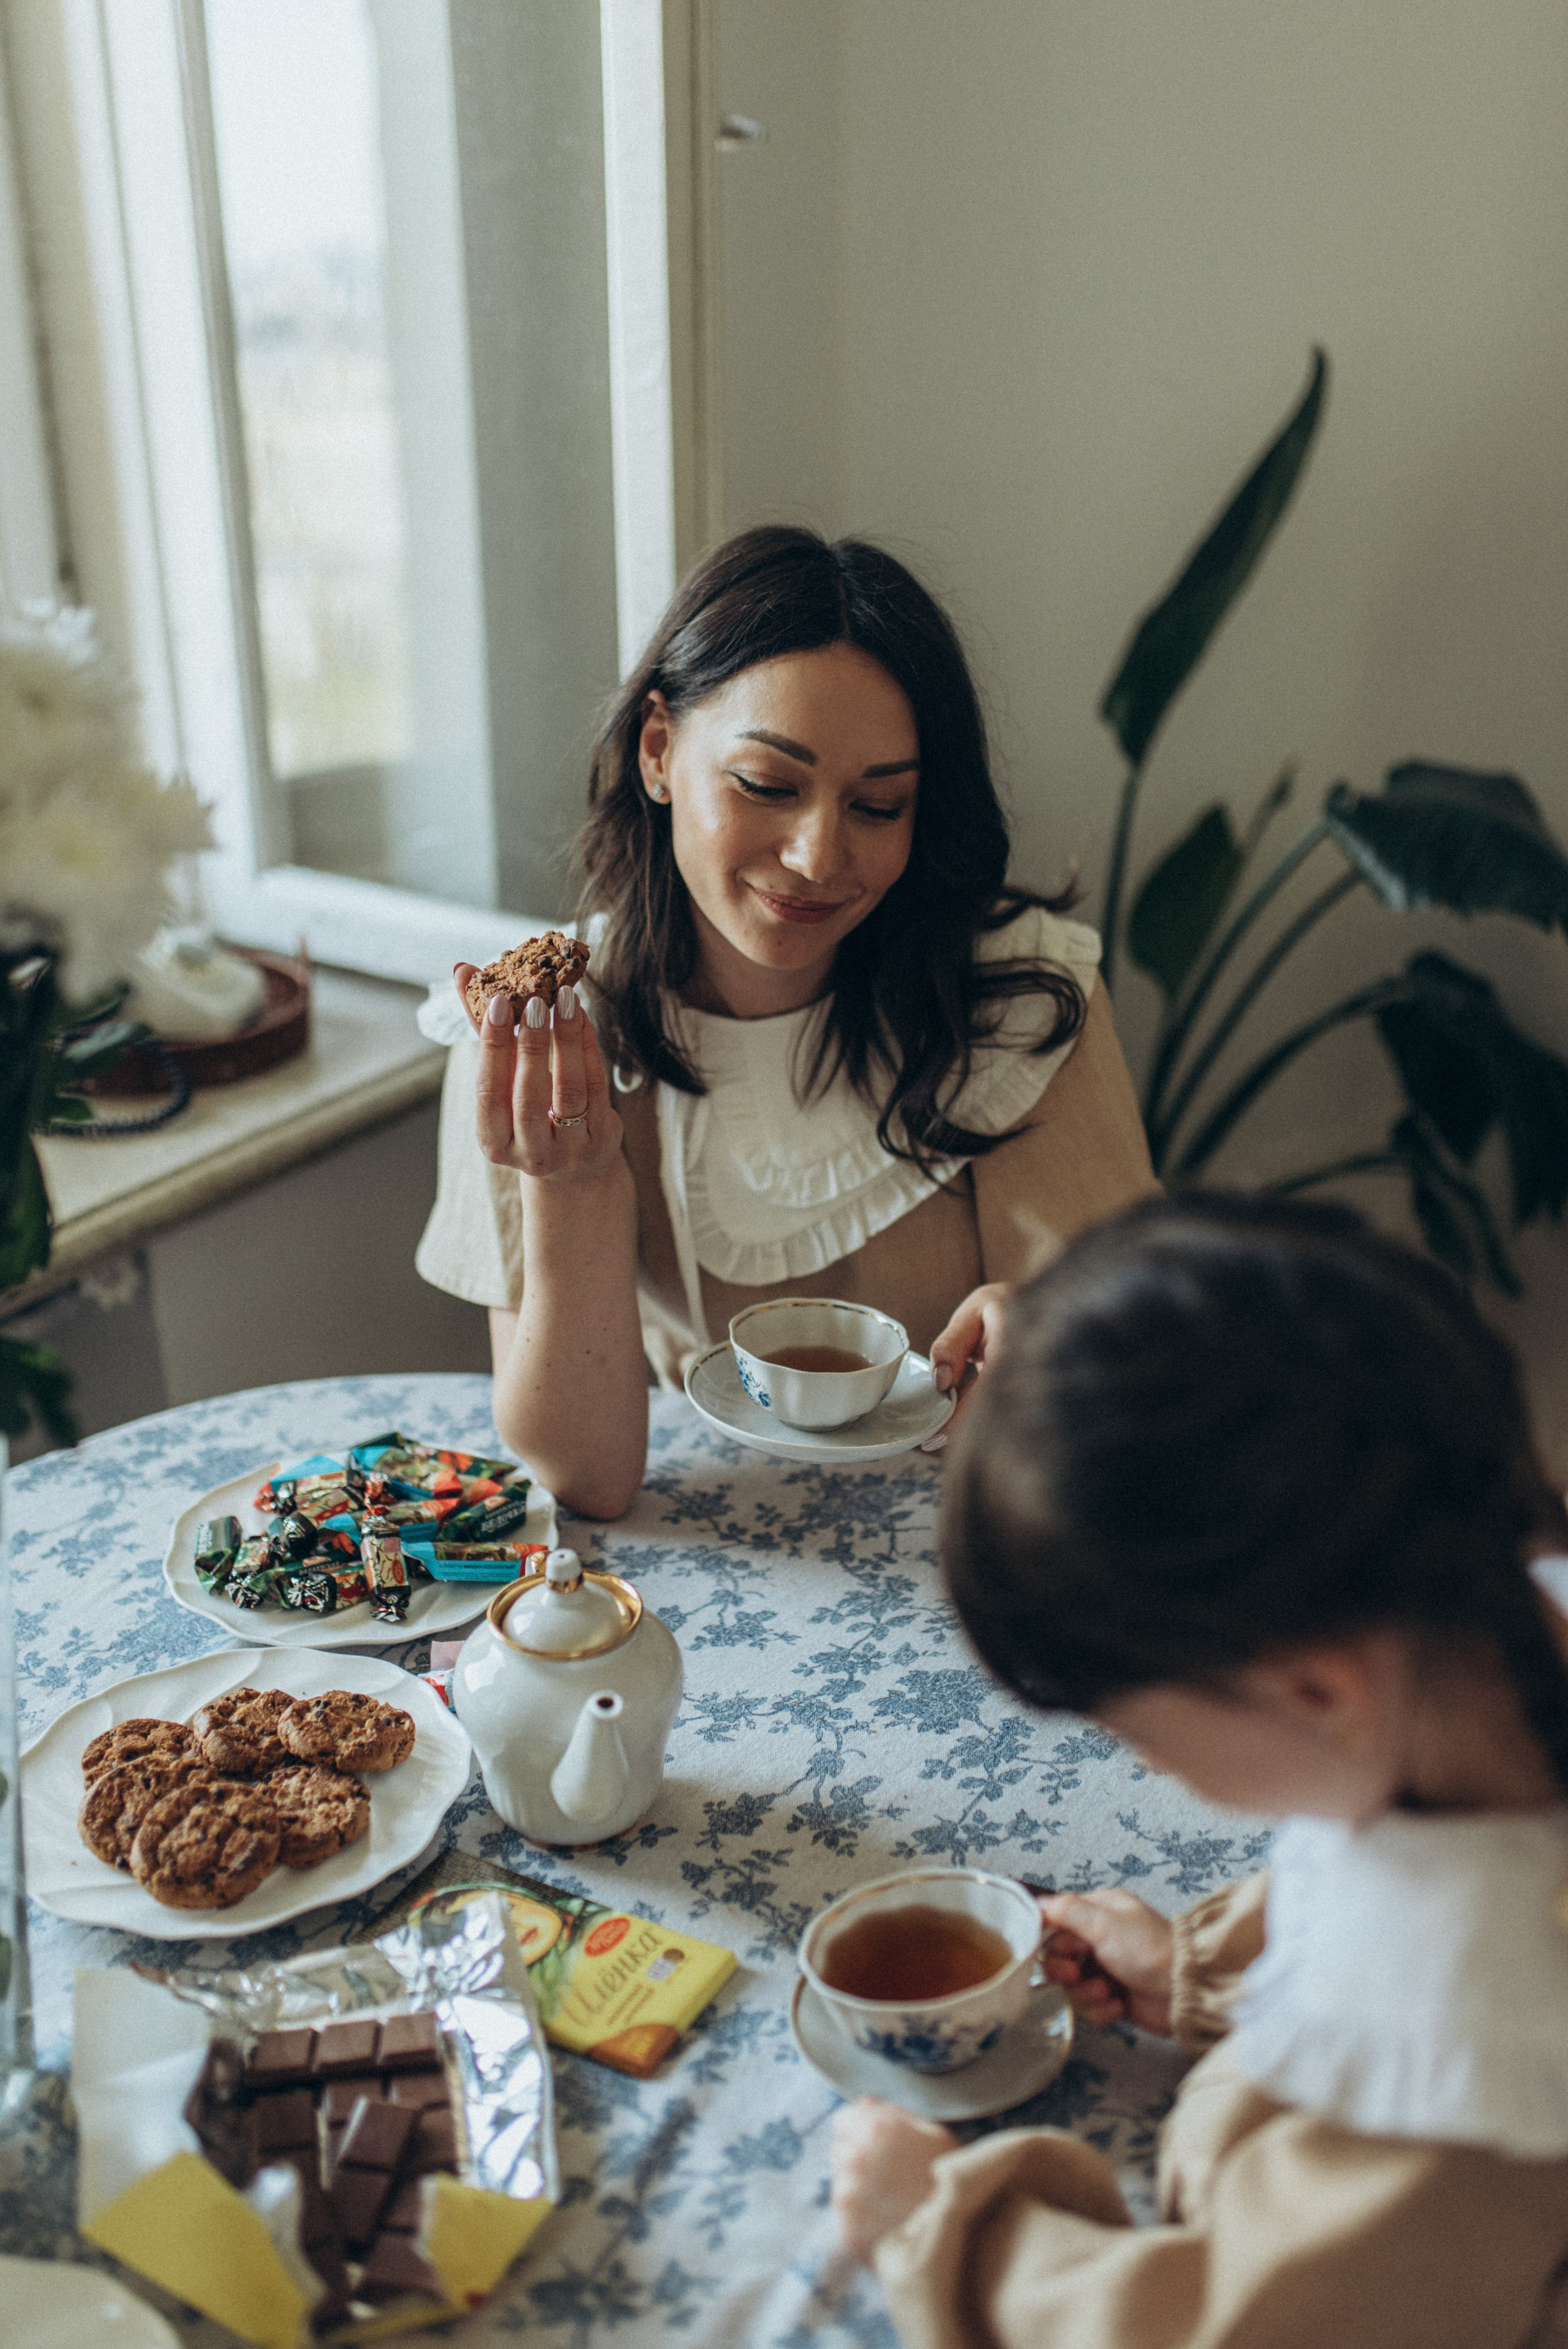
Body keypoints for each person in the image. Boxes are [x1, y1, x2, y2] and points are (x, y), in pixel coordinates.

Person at [831, 1193, 1568, 2349]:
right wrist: (1209, 1973)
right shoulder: (1484, 1645)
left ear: (1318, 1693)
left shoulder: (1470, 2061)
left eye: (1143, 1738)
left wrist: (952, 2231)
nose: (1147, 1768)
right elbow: (1412, 1849)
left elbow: (1237, 2326)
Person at [416, 526, 1155, 1515]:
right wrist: (577, 1185)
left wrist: (1053, 1359)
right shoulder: (545, 1032)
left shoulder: (1017, 1000)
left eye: (879, 806)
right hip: (707, 1557)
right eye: (768, 786)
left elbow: (1128, 1414)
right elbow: (584, 1475)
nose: (817, 857)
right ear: (658, 749)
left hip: (983, 1539)